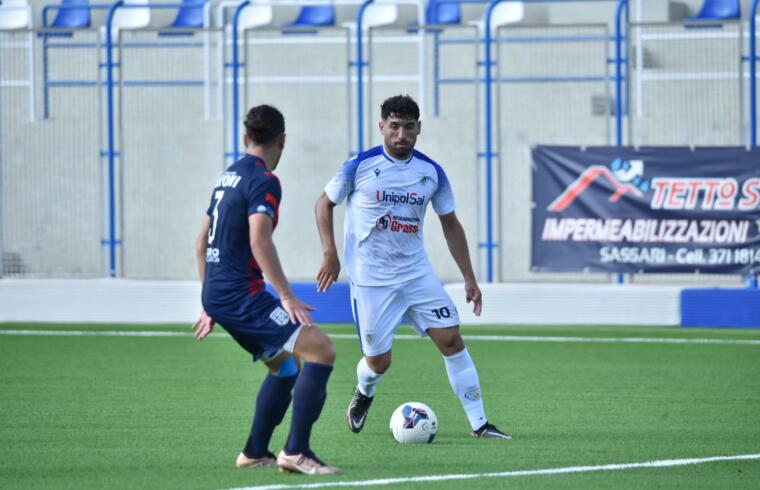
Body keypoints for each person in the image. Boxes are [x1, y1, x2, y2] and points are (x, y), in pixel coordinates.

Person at [315, 95, 511, 440]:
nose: (401, 134)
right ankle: (364, 391)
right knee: (379, 363)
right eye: (394, 127)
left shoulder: (431, 172)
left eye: (408, 127)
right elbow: (324, 203)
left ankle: (480, 425)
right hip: (372, 280)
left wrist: (469, 277)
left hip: (416, 273)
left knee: (451, 340)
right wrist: (330, 252)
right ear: (382, 128)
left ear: (419, 128)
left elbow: (450, 224)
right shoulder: (358, 166)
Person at [194, 104, 341, 475]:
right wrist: (287, 296)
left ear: (246, 139)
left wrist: (208, 303)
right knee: (321, 350)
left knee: (286, 366)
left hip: (218, 294)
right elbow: (260, 241)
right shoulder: (265, 180)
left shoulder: (227, 176)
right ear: (283, 141)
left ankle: (255, 451)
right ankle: (296, 451)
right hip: (240, 295)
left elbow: (200, 244)